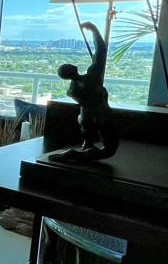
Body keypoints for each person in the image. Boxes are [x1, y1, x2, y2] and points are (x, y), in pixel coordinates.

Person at [49, 21, 119, 162]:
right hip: (103, 116)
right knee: (109, 150)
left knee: (92, 146)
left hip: (85, 120)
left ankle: (85, 147)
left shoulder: (71, 91)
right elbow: (101, 51)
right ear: (71, 69)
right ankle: (73, 154)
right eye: (67, 64)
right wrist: (94, 30)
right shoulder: (92, 76)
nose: (69, 63)